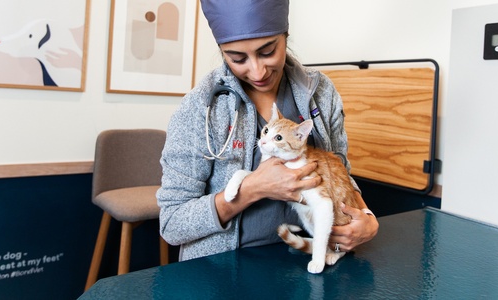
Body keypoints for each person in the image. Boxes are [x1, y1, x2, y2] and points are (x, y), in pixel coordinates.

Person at [157, 0, 378, 261]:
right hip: (226, 267)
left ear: (285, 36)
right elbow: (172, 224)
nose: (257, 71)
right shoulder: (201, 106)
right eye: (238, 58)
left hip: (311, 257)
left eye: (267, 51)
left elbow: (340, 172)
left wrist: (367, 219)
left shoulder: (321, 92)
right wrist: (252, 189)